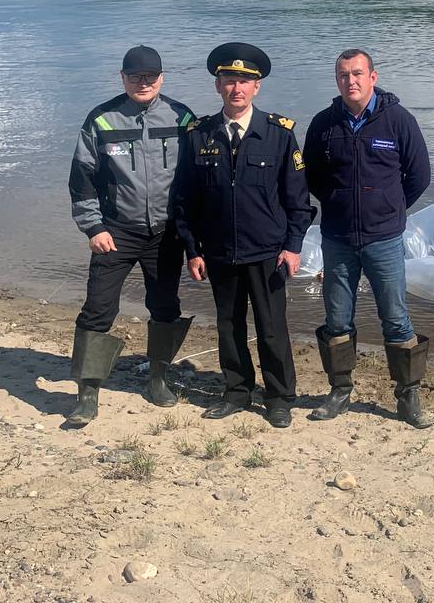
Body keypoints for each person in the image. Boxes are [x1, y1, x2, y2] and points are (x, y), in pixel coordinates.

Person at [172, 42, 314, 429]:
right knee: (228, 325)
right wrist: (192, 249)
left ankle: (280, 397)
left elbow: (298, 200)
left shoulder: (279, 134)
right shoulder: (198, 135)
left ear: (257, 88)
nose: (237, 88)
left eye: (245, 82)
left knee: (272, 328)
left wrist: (293, 246)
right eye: (229, 81)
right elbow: (183, 199)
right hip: (218, 251)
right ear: (218, 86)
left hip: (268, 251)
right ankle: (236, 391)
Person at [66, 45, 196, 427]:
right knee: (98, 310)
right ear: (122, 78)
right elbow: (81, 179)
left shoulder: (182, 116)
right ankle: (87, 393)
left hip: (166, 234)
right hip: (116, 231)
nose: (144, 83)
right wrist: (94, 227)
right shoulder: (102, 120)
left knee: (166, 307)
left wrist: (195, 235)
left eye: (151, 77)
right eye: (135, 77)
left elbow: (198, 178)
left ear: (162, 77)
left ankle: (158, 378)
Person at [302, 48, 433, 428]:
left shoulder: (398, 120)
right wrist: (338, 202)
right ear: (337, 80)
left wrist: (390, 208)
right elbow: (312, 177)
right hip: (338, 237)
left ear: (373, 77)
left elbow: (419, 175)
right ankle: (340, 391)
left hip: (384, 239)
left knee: (396, 319)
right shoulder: (324, 123)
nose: (351, 81)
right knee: (337, 318)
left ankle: (408, 395)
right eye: (343, 75)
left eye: (357, 74)